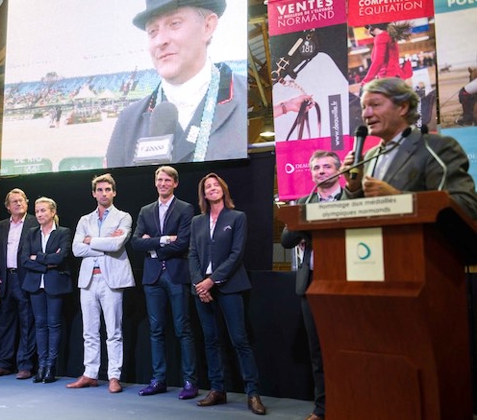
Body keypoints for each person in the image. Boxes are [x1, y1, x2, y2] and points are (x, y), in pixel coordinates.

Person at [105, 0, 247, 167]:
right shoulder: (128, 122)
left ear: (207, 26)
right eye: (152, 31)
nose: (160, 41)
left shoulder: (247, 98)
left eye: (174, 24)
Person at [341, 77, 477, 220]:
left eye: (375, 105)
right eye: (364, 107)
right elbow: (352, 218)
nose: (366, 114)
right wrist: (354, 188)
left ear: (403, 107)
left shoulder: (436, 147)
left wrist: (399, 199)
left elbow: (466, 205)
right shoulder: (368, 157)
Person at [189, 173, 266, 415]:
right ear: (203, 193)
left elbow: (236, 254)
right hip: (202, 291)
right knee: (211, 341)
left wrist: (211, 281)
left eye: (215, 185)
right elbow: (191, 254)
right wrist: (199, 284)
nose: (212, 188)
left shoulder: (237, 217)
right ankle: (217, 389)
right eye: (207, 186)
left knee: (239, 340)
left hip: (229, 287)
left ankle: (253, 393)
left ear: (223, 189)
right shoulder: (196, 222)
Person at [280, 150, 343, 420]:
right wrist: (311, 222)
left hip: (347, 282)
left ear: (338, 170)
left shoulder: (352, 198)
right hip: (312, 282)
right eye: (316, 168)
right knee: (318, 351)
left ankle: (352, 403)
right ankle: (323, 408)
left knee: (348, 347)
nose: (320, 171)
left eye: (326, 167)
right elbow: (286, 238)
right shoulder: (305, 201)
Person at [131, 165, 198, 400]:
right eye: (159, 180)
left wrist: (154, 246)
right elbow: (136, 242)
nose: (162, 184)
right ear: (155, 182)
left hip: (177, 275)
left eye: (167, 180)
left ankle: (190, 381)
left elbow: (183, 244)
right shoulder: (146, 210)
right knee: (156, 330)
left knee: (183, 329)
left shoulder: (185, 208)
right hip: (152, 278)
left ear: (175, 183)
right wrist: (164, 240)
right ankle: (158, 379)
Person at [68, 174, 135, 393]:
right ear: (93, 193)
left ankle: (114, 375)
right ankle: (90, 373)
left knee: (113, 331)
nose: (103, 193)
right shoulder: (84, 219)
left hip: (111, 280)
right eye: (100, 190)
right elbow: (76, 249)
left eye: (107, 189)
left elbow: (116, 245)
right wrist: (102, 243)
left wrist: (91, 241)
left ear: (114, 192)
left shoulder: (123, 217)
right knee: (89, 331)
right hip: (88, 280)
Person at [0, 189, 38, 380]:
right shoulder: (0, 227)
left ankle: (25, 365)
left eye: (22, 200)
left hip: (26, 280)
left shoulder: (34, 222)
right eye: (14, 201)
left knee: (27, 323)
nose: (19, 204)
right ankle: (3, 363)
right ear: (7, 207)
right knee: (5, 323)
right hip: (6, 279)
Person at [21, 197, 73, 384]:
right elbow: (25, 259)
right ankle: (41, 365)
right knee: (40, 324)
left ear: (53, 212)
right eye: (38, 211)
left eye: (44, 210)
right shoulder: (31, 233)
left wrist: (39, 257)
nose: (40, 214)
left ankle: (51, 366)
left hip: (55, 284)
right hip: (36, 284)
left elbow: (60, 259)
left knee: (53, 324)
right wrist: (47, 263)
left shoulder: (63, 232)